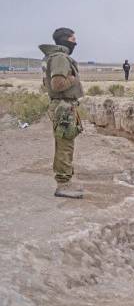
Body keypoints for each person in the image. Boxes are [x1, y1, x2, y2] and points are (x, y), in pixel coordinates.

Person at [39, 27, 84, 199]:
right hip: (63, 107)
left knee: (65, 144)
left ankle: (66, 182)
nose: (75, 43)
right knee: (65, 145)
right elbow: (57, 84)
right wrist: (74, 78)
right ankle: (63, 184)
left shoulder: (55, 57)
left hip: (63, 106)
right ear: (65, 40)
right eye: (73, 40)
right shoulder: (60, 58)